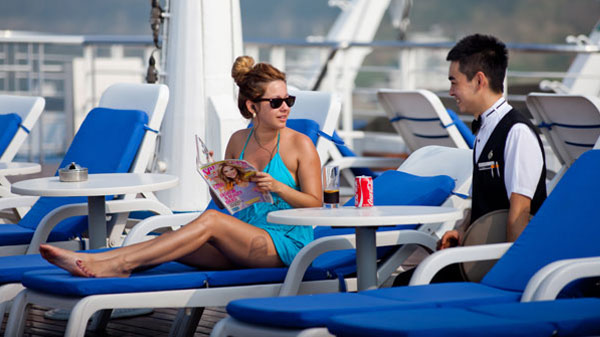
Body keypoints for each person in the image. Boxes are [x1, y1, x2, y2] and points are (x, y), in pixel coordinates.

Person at [39, 55, 323, 278]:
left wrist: (278, 187)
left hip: (283, 245)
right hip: (243, 239)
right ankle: (95, 260)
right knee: (167, 239)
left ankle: (119, 265)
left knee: (209, 222)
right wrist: (216, 182)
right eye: (276, 102)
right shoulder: (239, 140)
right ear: (252, 107)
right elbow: (224, 204)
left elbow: (316, 205)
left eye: (289, 100)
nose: (285, 107)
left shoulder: (300, 145)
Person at [394, 34, 547, 285]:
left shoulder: (516, 133)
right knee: (405, 281)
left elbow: (520, 214)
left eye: (454, 82)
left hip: (496, 265)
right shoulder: (485, 129)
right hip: (477, 253)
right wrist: (462, 231)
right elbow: (485, 202)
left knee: (407, 284)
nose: (451, 91)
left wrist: (507, 282)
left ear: (478, 80)